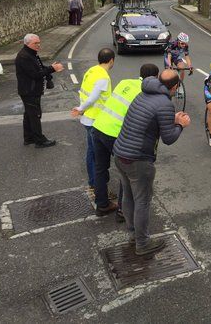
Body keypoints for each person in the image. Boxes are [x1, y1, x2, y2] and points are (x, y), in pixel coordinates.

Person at [113, 69, 190, 256]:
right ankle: (143, 243)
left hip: (120, 153)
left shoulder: (144, 92)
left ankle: (132, 234)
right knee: (142, 201)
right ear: (174, 87)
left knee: (128, 196)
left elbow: (149, 120)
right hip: (138, 160)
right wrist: (180, 124)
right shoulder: (164, 103)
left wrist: (169, 120)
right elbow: (169, 138)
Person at [92, 63, 159, 220]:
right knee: (126, 172)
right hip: (116, 133)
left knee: (100, 168)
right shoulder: (146, 92)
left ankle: (101, 205)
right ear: (155, 77)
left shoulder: (124, 82)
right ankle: (122, 211)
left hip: (99, 126)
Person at [71, 49, 115, 190]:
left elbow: (84, 91)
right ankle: (97, 183)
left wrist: (82, 110)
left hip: (88, 118)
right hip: (96, 119)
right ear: (111, 60)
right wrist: (80, 108)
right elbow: (93, 97)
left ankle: (94, 181)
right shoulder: (103, 77)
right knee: (97, 154)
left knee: (91, 151)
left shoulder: (92, 70)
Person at [15, 34, 64, 148]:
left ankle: (29, 138)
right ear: (27, 44)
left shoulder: (31, 54)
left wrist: (50, 67)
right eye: (35, 43)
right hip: (29, 91)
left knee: (29, 114)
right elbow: (35, 74)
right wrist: (52, 69)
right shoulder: (24, 57)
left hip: (30, 90)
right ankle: (39, 141)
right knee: (35, 115)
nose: (39, 45)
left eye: (39, 42)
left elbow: (39, 68)